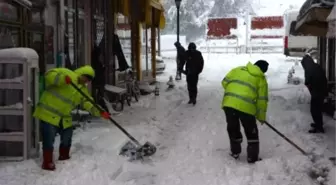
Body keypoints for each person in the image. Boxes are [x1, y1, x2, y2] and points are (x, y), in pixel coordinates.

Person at [33, 65, 111, 171]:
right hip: (48, 113)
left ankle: (64, 156)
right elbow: (48, 75)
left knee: (67, 136)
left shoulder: (82, 90)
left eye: (88, 80)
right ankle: (47, 162)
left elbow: (88, 103)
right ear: (82, 74)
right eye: (86, 78)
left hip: (64, 116)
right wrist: (62, 79)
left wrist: (100, 112)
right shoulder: (66, 73)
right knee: (49, 138)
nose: (86, 81)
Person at [221, 60, 269, 163]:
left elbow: (224, 82)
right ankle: (252, 157)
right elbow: (262, 100)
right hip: (246, 108)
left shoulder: (237, 69)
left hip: (229, 104)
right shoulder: (261, 79)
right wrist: (261, 116)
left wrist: (235, 91)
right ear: (263, 71)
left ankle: (235, 152)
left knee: (233, 128)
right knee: (251, 132)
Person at [301, 53, 328, 133]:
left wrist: (311, 90)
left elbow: (307, 82)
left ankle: (319, 127)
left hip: (317, 92)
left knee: (314, 110)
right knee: (318, 109)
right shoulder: (316, 66)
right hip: (323, 90)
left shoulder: (308, 69)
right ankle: (319, 123)